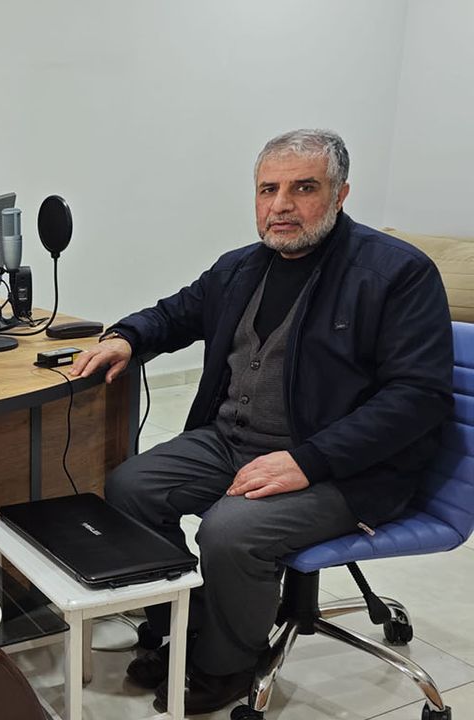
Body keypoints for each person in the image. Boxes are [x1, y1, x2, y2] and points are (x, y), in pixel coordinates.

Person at [71, 129, 452, 714]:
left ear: (341, 194)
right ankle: (191, 627)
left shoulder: (396, 273)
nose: (281, 205)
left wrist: (308, 461)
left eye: (304, 188)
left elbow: (418, 397)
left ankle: (224, 666)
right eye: (268, 189)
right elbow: (174, 314)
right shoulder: (242, 268)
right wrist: (126, 337)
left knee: (230, 532)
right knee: (131, 488)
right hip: (233, 441)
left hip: (346, 468)